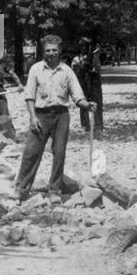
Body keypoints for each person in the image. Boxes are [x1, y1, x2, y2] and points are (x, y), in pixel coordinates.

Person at [15, 35, 94, 200]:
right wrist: (32, 117)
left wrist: (87, 105)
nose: (51, 53)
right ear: (44, 51)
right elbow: (29, 96)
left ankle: (55, 190)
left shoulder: (67, 71)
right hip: (41, 115)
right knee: (31, 152)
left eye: (54, 50)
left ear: (59, 51)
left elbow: (77, 96)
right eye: (48, 50)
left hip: (61, 116)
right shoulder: (35, 69)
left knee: (59, 153)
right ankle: (21, 189)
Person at [76, 37, 105, 133]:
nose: (83, 47)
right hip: (83, 80)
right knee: (83, 102)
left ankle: (98, 124)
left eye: (85, 45)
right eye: (82, 45)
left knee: (97, 102)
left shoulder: (95, 55)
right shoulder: (77, 58)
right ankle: (85, 124)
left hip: (94, 81)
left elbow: (97, 69)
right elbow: (76, 70)